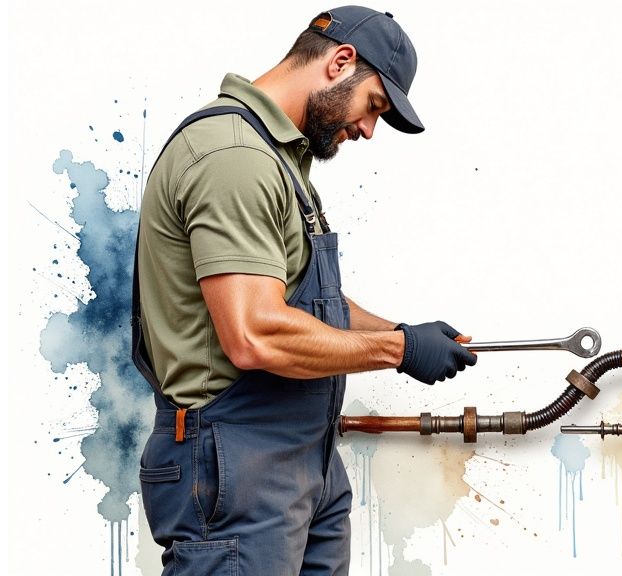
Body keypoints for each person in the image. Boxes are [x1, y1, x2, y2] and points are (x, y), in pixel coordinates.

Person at [131, 6, 476, 575]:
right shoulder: (235, 158)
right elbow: (255, 335)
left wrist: (399, 331)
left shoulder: (276, 158)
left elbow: (305, 302)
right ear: (340, 62)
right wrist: (399, 352)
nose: (367, 130)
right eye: (374, 106)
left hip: (299, 461)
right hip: (237, 463)